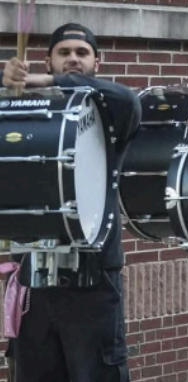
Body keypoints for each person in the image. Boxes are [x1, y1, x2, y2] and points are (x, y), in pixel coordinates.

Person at [1, 22, 141, 382]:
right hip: (33, 277)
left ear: (98, 61)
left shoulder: (112, 113)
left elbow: (129, 98)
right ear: (47, 60)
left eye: (83, 53)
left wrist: (46, 83)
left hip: (92, 280)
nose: (74, 59)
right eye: (64, 53)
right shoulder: (23, 108)